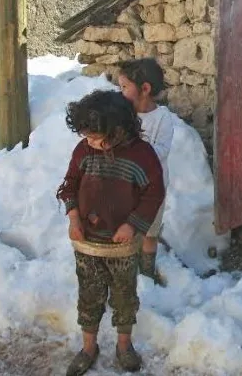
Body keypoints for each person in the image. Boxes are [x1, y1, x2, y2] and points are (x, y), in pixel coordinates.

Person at [56, 90, 165, 375]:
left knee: (124, 295)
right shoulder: (84, 151)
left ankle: (124, 344)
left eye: (95, 136)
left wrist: (133, 225)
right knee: (89, 294)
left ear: (118, 129)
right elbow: (68, 185)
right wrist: (73, 217)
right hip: (88, 245)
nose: (89, 142)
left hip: (123, 247)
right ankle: (89, 346)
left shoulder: (142, 155)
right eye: (86, 136)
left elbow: (153, 193)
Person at [118, 58, 174, 286]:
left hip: (154, 188)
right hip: (126, 187)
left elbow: (161, 150)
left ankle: (148, 272)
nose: (120, 93)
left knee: (149, 233)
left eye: (124, 87)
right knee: (128, 228)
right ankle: (127, 268)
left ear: (145, 89)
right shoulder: (124, 115)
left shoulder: (163, 118)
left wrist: (136, 150)